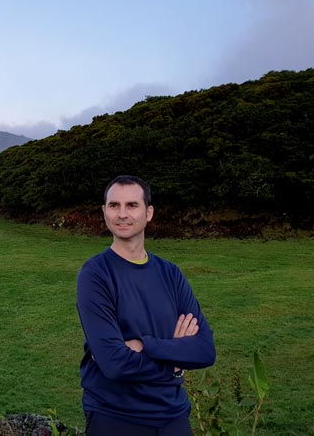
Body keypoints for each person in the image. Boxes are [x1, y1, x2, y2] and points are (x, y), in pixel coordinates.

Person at [76, 175, 215, 435]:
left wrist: (145, 345)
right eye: (114, 205)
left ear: (148, 213)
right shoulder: (95, 275)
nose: (122, 214)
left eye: (132, 205)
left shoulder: (171, 274)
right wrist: (174, 363)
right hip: (116, 417)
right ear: (104, 212)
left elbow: (205, 350)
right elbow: (114, 363)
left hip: (172, 415)